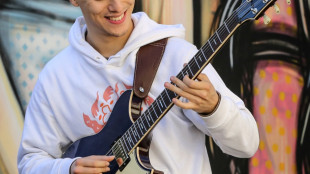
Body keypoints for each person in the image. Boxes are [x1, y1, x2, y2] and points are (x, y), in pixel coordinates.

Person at [17, 0, 259, 173]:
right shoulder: (55, 77)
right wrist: (67, 168)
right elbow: (30, 161)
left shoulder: (179, 57)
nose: (117, 6)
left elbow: (246, 145)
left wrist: (214, 108)